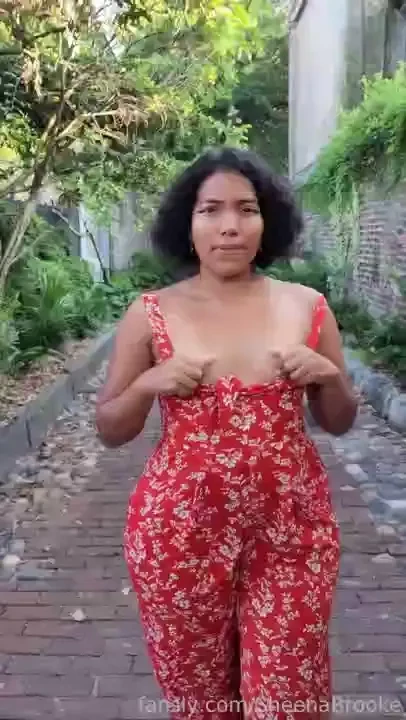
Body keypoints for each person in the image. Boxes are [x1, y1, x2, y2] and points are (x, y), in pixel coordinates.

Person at [95, 147, 358, 720]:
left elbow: (340, 420)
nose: (230, 226)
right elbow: (111, 428)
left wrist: (330, 376)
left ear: (268, 222)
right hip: (177, 539)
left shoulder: (307, 307)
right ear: (187, 225)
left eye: (247, 209)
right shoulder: (150, 313)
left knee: (287, 699)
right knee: (202, 703)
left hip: (290, 536)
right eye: (210, 210)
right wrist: (149, 384)